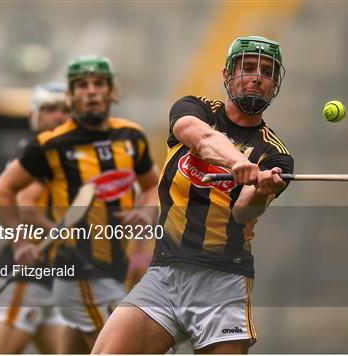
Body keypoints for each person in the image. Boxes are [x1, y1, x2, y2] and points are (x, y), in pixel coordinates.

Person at [93, 35, 295, 354]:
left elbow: (244, 211)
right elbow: (199, 138)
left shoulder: (275, 156)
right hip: (165, 275)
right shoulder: (196, 108)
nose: (258, 77)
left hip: (223, 280)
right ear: (227, 75)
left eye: (267, 71)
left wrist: (260, 188)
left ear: (274, 85)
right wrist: (238, 162)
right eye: (249, 67)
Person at [0, 55, 159, 353]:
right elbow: (4, 190)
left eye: (99, 84)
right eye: (82, 85)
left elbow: (151, 184)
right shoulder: (50, 146)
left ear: (113, 92)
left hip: (113, 270)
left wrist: (145, 210)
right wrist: (20, 240)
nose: (91, 91)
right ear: (71, 95)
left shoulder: (132, 136)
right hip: (81, 272)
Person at [0, 83, 71, 354]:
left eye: (65, 110)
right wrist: (61, 232)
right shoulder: (42, 151)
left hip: (54, 273)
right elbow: (22, 204)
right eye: (50, 109)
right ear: (34, 115)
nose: (58, 116)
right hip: (28, 272)